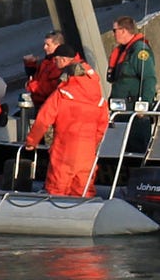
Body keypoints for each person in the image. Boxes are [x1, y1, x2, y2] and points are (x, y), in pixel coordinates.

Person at [24, 42, 108, 197]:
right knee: (84, 191)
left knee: (57, 189)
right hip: (87, 153)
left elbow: (44, 118)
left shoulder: (63, 93)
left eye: (56, 61)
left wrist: (31, 141)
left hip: (65, 149)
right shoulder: (98, 97)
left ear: (63, 61)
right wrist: (92, 144)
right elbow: (102, 126)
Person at [106, 16, 157, 104]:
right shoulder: (122, 51)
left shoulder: (139, 50)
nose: (113, 34)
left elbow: (149, 78)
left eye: (115, 30)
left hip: (133, 106)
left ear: (123, 31)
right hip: (119, 106)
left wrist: (145, 103)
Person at [23, 31, 71, 108]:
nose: (44, 47)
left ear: (57, 46)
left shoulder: (58, 64)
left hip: (48, 105)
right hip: (39, 102)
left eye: (48, 45)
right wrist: (30, 65)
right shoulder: (47, 61)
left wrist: (32, 85)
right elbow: (37, 76)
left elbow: (51, 88)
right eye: (45, 44)